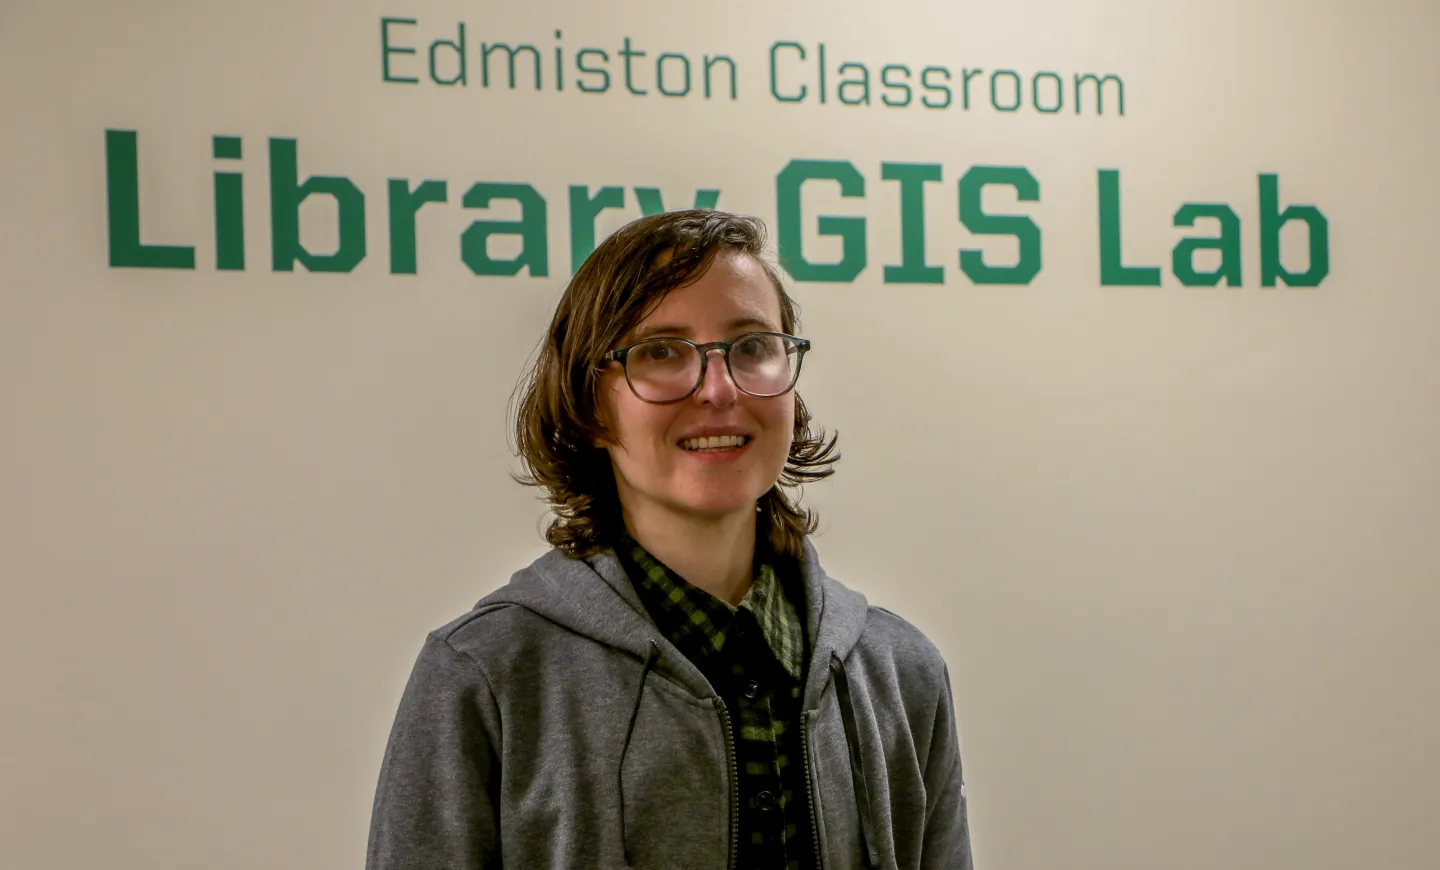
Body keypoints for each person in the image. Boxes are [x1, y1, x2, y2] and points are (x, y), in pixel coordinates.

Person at [365, 210, 973, 870]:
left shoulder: (902, 674)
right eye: (660, 352)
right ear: (590, 403)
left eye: (751, 347)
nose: (718, 390)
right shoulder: (484, 678)